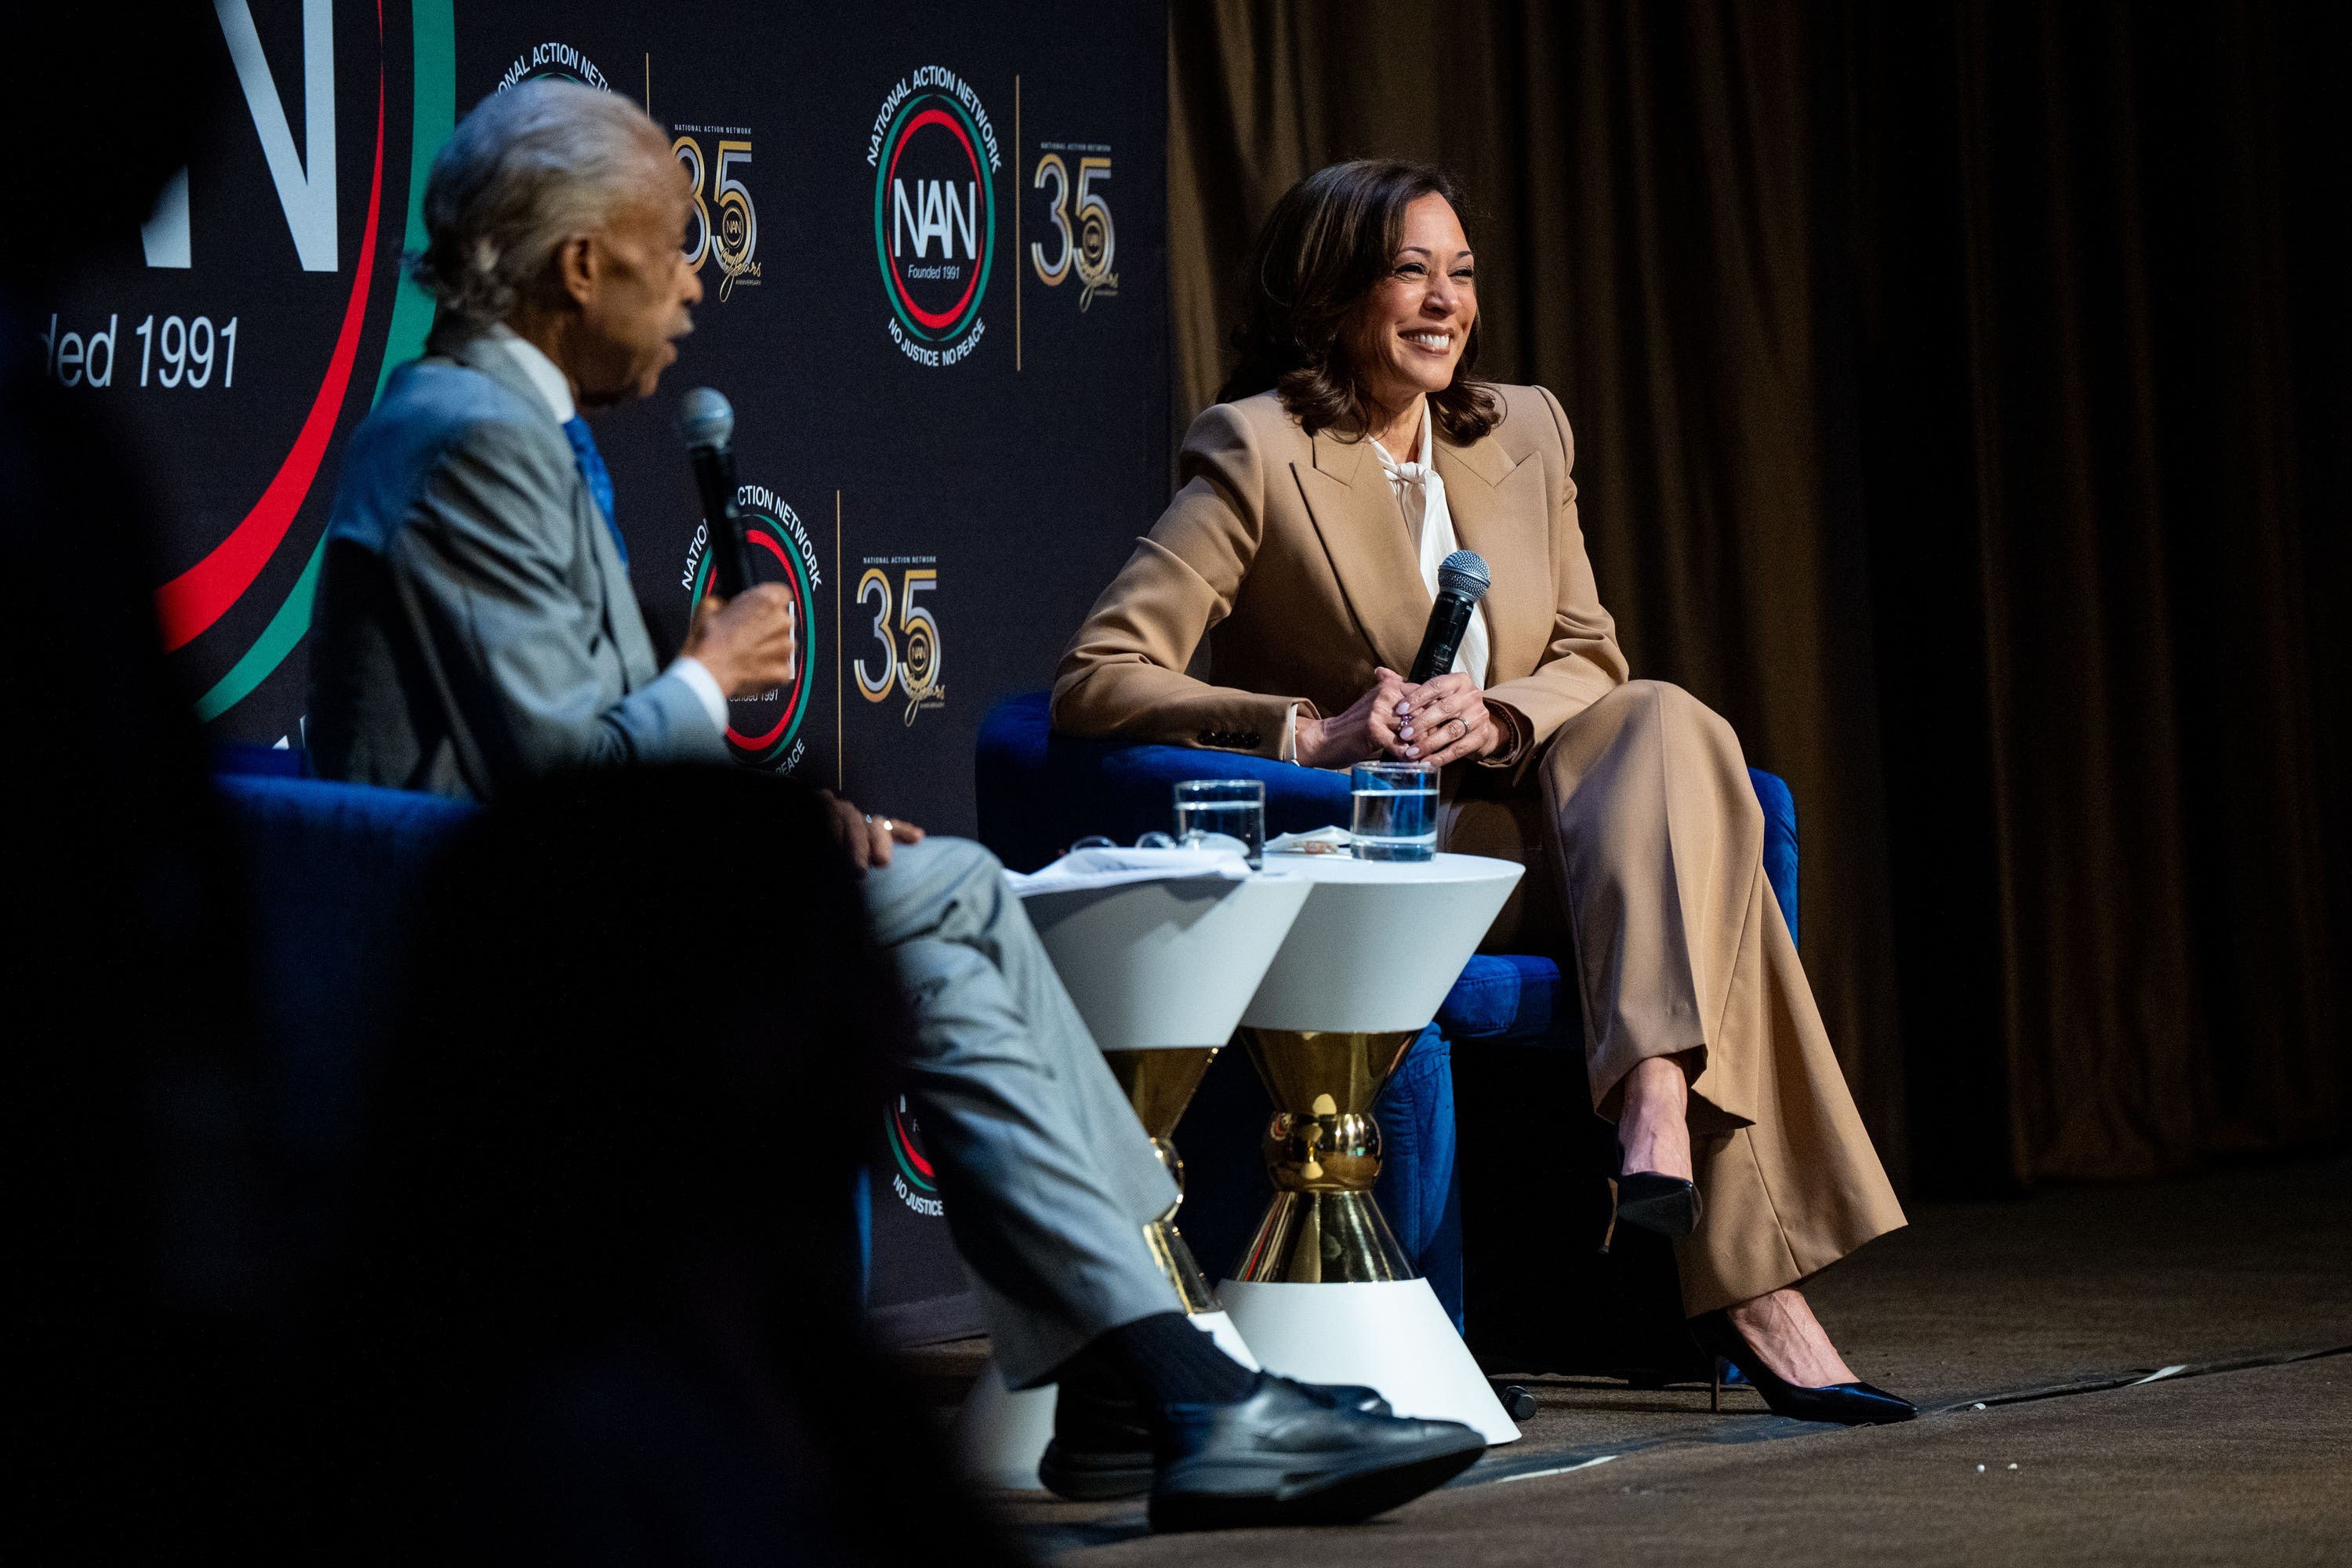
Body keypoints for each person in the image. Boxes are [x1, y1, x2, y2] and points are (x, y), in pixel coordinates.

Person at [307, 83, 1485, 1529]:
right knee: (944, 907)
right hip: (475, 955)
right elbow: (555, 797)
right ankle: (1162, 1375)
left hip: (548, 903)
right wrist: (707, 678)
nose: (696, 281)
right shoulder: (471, 437)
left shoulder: (501, 423)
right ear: (578, 267)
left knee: (957, 893)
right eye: (674, 248)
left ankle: (1145, 1376)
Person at [1054, 159, 1915, 1425]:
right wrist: (1315, 730)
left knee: (1670, 719)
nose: (1445, 301)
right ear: (1332, 290)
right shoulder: (1257, 450)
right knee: (1703, 821)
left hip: (1564, 829)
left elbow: (1589, 654)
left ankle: (1660, 1110)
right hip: (1411, 854)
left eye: (1461, 273)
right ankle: (1752, 1280)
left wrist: (1501, 709)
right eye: (1411, 270)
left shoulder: (1525, 428)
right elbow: (1096, 676)